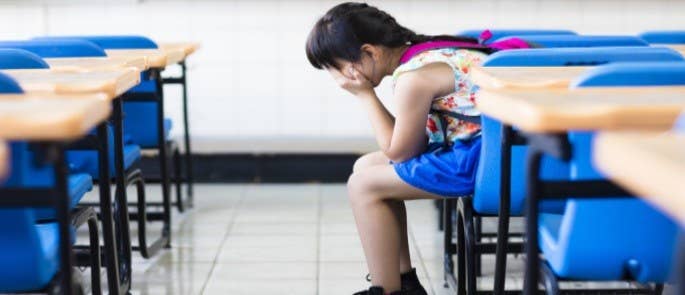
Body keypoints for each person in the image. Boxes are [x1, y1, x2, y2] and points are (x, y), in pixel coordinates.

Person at [306, 3, 526, 294]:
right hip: (500, 150)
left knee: (362, 186)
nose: (338, 79)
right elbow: (407, 142)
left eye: (337, 67)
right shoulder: (428, 53)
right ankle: (405, 282)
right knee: (367, 167)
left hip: (487, 160)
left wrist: (365, 96)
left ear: (369, 52)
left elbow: (400, 153)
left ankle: (386, 290)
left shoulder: (413, 78)